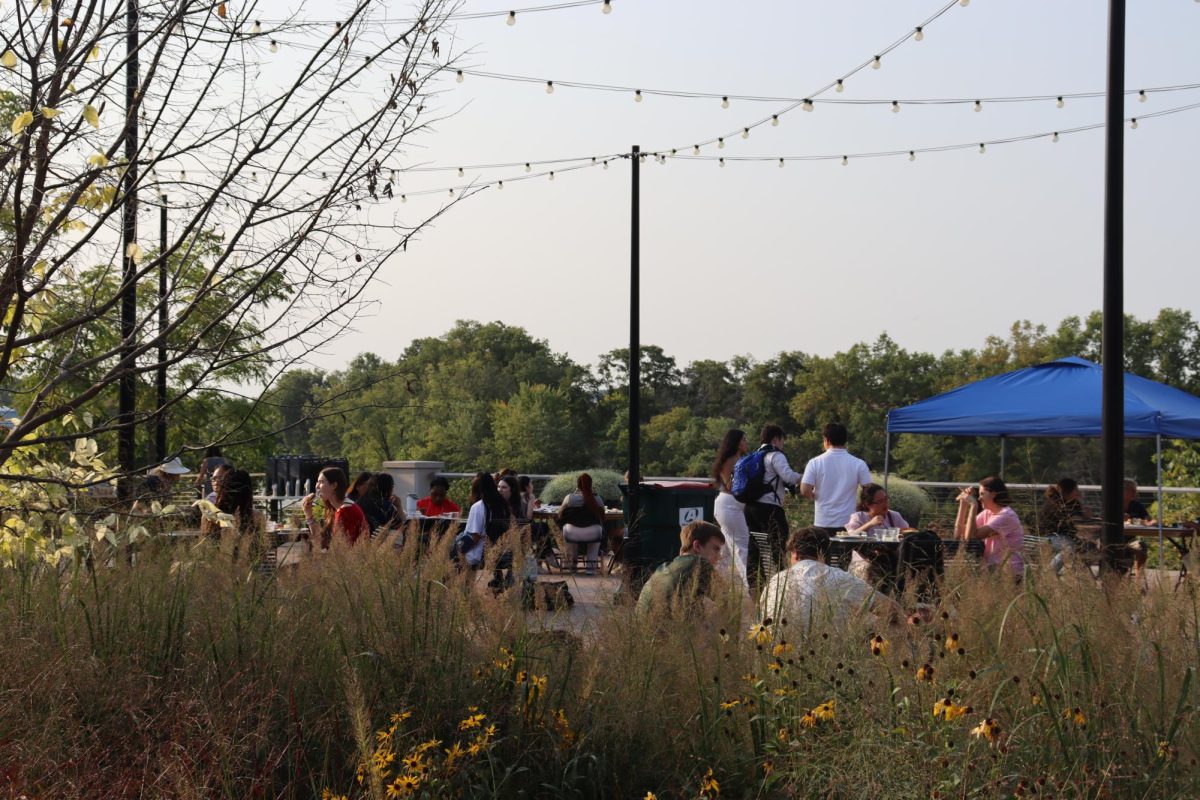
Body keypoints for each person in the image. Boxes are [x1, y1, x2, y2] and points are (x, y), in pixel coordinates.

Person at [759, 527, 902, 633]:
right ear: (826, 555)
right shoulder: (840, 578)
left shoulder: (775, 581)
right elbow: (894, 611)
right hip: (826, 659)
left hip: (777, 657)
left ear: (795, 554)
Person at [743, 424, 803, 571]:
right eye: (782, 441)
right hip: (769, 507)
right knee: (779, 545)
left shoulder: (753, 456)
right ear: (775, 440)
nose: (782, 445)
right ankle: (781, 580)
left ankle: (755, 585)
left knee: (755, 547)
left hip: (750, 508)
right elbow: (788, 476)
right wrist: (806, 478)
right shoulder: (775, 455)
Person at [636, 521, 725, 615]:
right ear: (697, 546)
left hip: (642, 628)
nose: (719, 557)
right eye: (716, 549)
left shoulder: (662, 568)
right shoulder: (700, 563)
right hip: (672, 628)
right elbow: (730, 600)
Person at [801, 422, 873, 534]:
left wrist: (813, 495)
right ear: (845, 440)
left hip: (822, 521)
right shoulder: (859, 463)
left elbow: (804, 490)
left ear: (827, 440)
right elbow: (870, 491)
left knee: (823, 551)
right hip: (849, 522)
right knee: (846, 552)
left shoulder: (814, 462)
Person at [954, 476, 1024, 578]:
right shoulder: (988, 513)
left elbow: (972, 536)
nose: (979, 498)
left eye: (982, 494)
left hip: (1008, 574)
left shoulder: (1005, 515)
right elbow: (959, 535)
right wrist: (963, 504)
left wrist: (974, 505)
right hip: (993, 570)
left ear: (994, 494)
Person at [844, 483, 911, 583]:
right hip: (865, 561)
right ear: (868, 504)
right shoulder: (859, 517)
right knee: (871, 569)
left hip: (891, 560)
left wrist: (901, 533)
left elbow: (908, 531)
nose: (885, 504)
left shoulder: (894, 516)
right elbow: (851, 536)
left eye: (886, 499)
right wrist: (870, 524)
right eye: (880, 501)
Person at [711, 428, 750, 588]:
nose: (746, 443)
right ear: (737, 442)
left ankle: (720, 586)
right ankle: (750, 588)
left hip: (731, 506)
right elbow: (731, 485)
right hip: (729, 505)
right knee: (742, 547)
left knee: (726, 551)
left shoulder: (739, 459)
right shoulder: (730, 460)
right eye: (744, 439)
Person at [202, 468, 267, 558]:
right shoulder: (258, 517)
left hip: (216, 568)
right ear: (248, 491)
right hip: (247, 569)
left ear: (223, 488)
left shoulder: (209, 515)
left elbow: (204, 549)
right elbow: (261, 553)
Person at [451, 472, 509, 569]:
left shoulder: (478, 507)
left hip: (478, 553)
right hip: (500, 550)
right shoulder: (502, 505)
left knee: (449, 550)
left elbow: (474, 537)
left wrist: (458, 551)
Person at [301, 466, 369, 549]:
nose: (317, 486)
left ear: (334, 485)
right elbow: (322, 541)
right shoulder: (336, 508)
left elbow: (340, 550)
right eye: (317, 482)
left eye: (321, 482)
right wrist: (309, 515)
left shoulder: (346, 511)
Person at [1039, 478, 1092, 573]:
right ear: (1069, 491)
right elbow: (1073, 520)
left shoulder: (1074, 503)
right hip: (1051, 537)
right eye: (1076, 490)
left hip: (1065, 537)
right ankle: (1048, 572)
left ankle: (1078, 575)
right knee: (1068, 549)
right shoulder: (1055, 503)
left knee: (1088, 547)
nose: (1078, 492)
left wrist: (1085, 511)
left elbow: (1083, 518)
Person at [557, 473, 606, 574]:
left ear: (577, 485)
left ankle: (570, 566)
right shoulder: (597, 499)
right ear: (591, 485)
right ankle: (591, 568)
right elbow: (602, 517)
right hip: (593, 533)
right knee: (597, 531)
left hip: (572, 533)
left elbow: (560, 515)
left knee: (569, 532)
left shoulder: (569, 498)